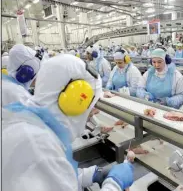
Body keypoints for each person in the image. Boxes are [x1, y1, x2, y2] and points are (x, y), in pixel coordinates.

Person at [2, 54, 134, 191]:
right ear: (74, 102)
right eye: (90, 106)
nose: (91, 112)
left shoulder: (31, 128)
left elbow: (54, 179)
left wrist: (88, 176)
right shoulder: (39, 146)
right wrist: (114, 185)